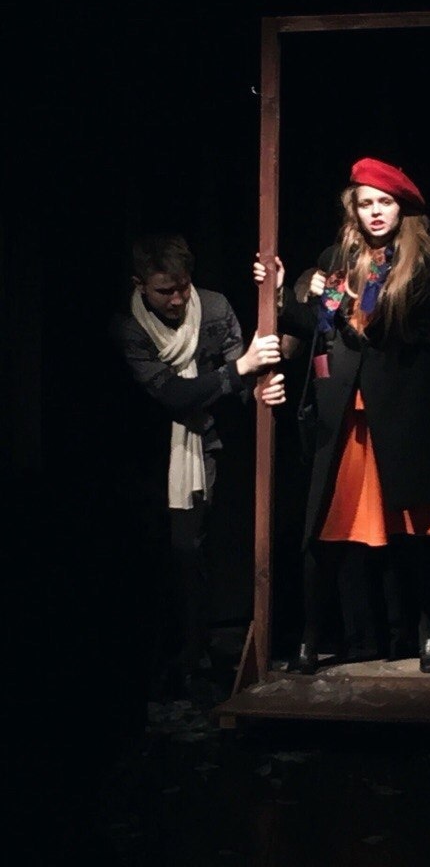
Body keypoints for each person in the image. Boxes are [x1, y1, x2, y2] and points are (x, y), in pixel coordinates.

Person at [254, 157, 430, 675]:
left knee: (418, 530)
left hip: (402, 413)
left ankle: (429, 633)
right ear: (352, 209)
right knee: (328, 528)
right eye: (366, 203)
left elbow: (386, 325)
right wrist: (283, 292)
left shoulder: (419, 260)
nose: (375, 212)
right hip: (347, 412)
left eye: (385, 202)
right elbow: (323, 325)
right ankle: (309, 638)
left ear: (402, 209)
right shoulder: (339, 257)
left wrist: (356, 299)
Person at [110, 232, 286, 700]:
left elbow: (243, 376)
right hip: (149, 456)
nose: (176, 299)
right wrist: (238, 372)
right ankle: (161, 660)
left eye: (183, 286)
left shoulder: (213, 307)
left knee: (192, 550)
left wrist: (259, 388)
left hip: (201, 449)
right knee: (158, 556)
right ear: (140, 285)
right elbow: (174, 395)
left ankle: (195, 655)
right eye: (164, 290)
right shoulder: (129, 326)